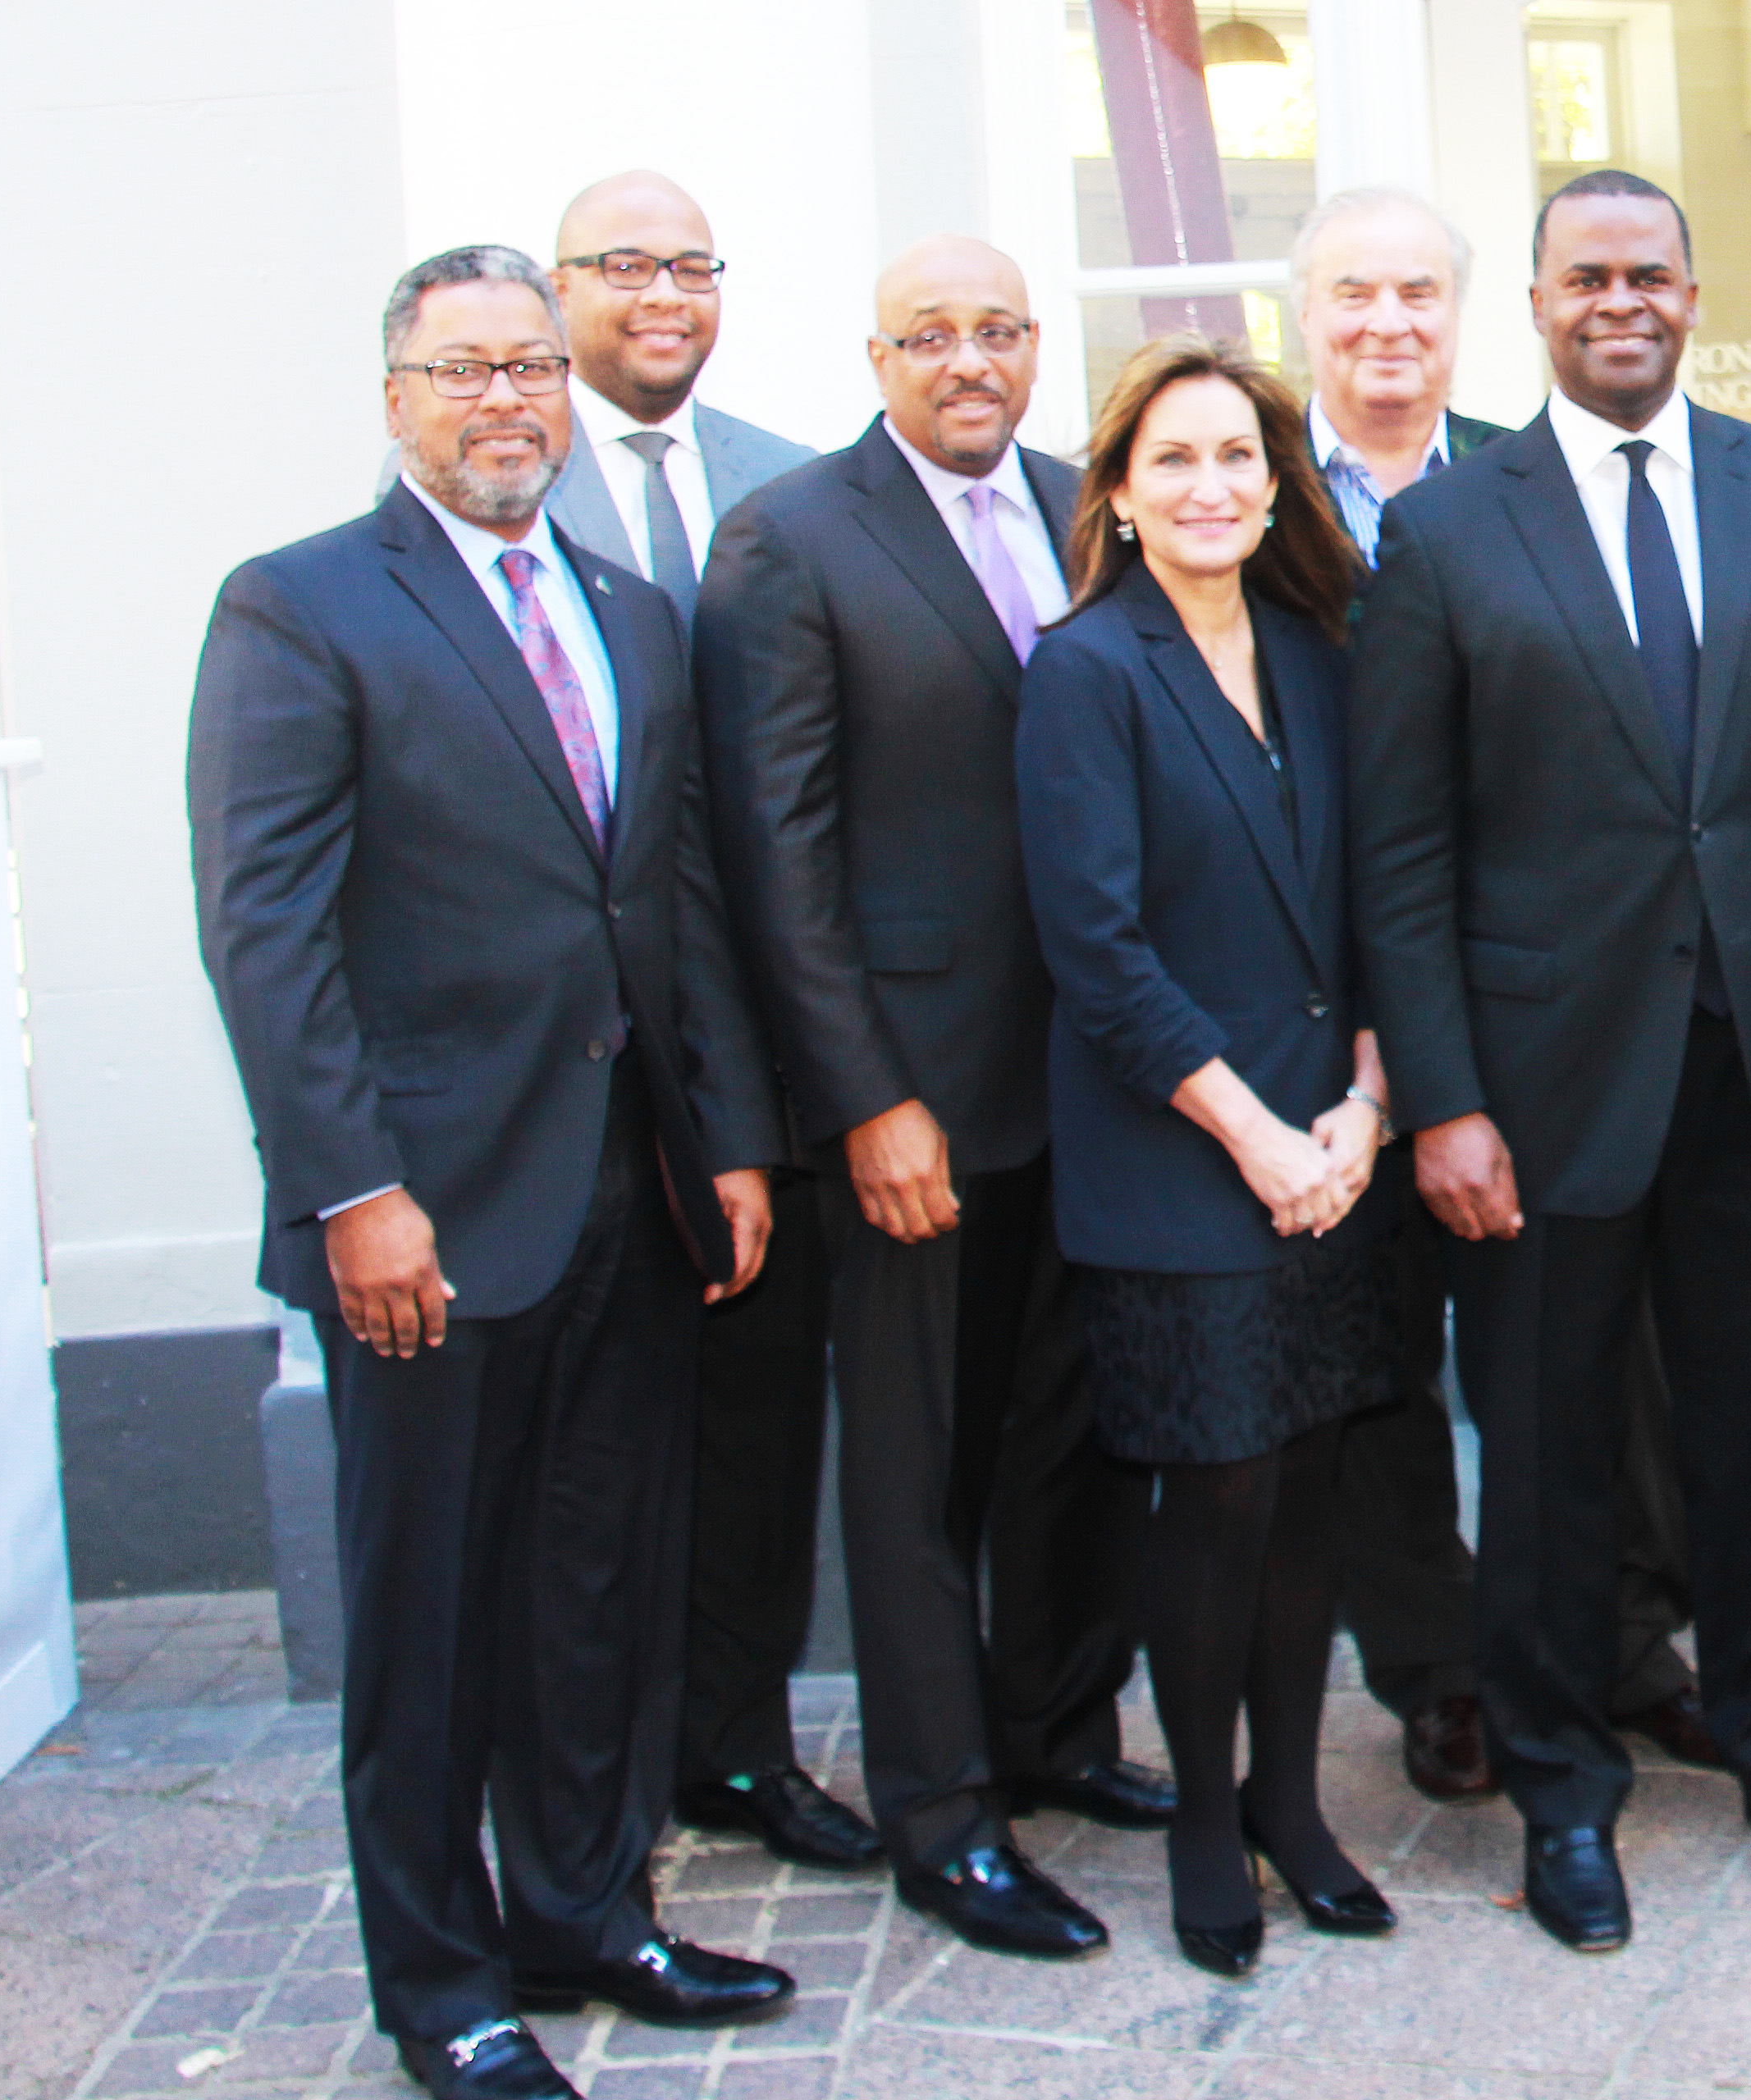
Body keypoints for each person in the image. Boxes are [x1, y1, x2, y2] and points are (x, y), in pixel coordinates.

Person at [187, 245, 791, 2100]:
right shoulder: (298, 608)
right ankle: (443, 1982)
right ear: (395, 397)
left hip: (631, 1186)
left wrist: (736, 1132)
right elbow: (264, 929)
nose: (508, 398)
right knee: (433, 1620)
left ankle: (588, 1910)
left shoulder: (626, 603)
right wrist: (351, 1188)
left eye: (532, 364)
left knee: (598, 1583)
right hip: (427, 1218)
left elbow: (672, 894)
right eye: (464, 369)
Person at [1349, 168, 1751, 1951]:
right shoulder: (1450, 530)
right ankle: (1561, 1786)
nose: (1623, 300)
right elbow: (1404, 849)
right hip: (1536, 1086)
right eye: (1586, 275)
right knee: (1542, 1451)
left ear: (1696, 294)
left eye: (1652, 274)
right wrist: (1441, 1100)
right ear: (1534, 304)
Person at [692, 237, 1165, 1965]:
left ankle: (1055, 1732)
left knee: (1069, 1433)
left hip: (1091, 1084)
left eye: (998, 332)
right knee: (909, 1479)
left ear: (1038, 348)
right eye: (932, 336)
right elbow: (776, 856)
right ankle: (944, 1819)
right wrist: (863, 1101)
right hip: (913, 1102)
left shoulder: (1080, 504)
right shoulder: (792, 539)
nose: (969, 361)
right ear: (878, 355)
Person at [1292, 185, 1721, 1810]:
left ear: (1471, 315)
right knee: (1381, 1358)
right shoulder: (1232, 491)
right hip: (1311, 1018)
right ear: (1306, 318)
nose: (1386, 320)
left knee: (1599, 1353)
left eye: (1417, 291)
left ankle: (1626, 1638)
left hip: (1547, 1010)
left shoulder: (1529, 475)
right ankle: (1439, 1666)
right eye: (1352, 294)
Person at [1017, 336, 1408, 1978]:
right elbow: (1096, 951)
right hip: (1187, 1157)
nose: (1211, 486)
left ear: (1278, 483)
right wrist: (1259, 1140)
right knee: (1220, 1496)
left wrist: (1367, 1111)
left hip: (1332, 1145)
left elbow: (1383, 900)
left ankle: (1295, 1808)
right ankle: (1201, 1820)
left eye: (1240, 458)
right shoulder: (1085, 670)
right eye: (1173, 460)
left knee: (1310, 1481)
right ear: (1116, 490)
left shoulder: (1324, 656)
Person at [520, 169, 853, 1879]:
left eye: (693, 266)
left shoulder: (784, 484)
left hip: (764, 1048)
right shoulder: (496, 470)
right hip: (581, 1063)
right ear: (562, 288)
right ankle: (607, 1775)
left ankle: (742, 1747)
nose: (664, 295)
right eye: (626, 266)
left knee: (758, 1422)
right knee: (603, 1448)